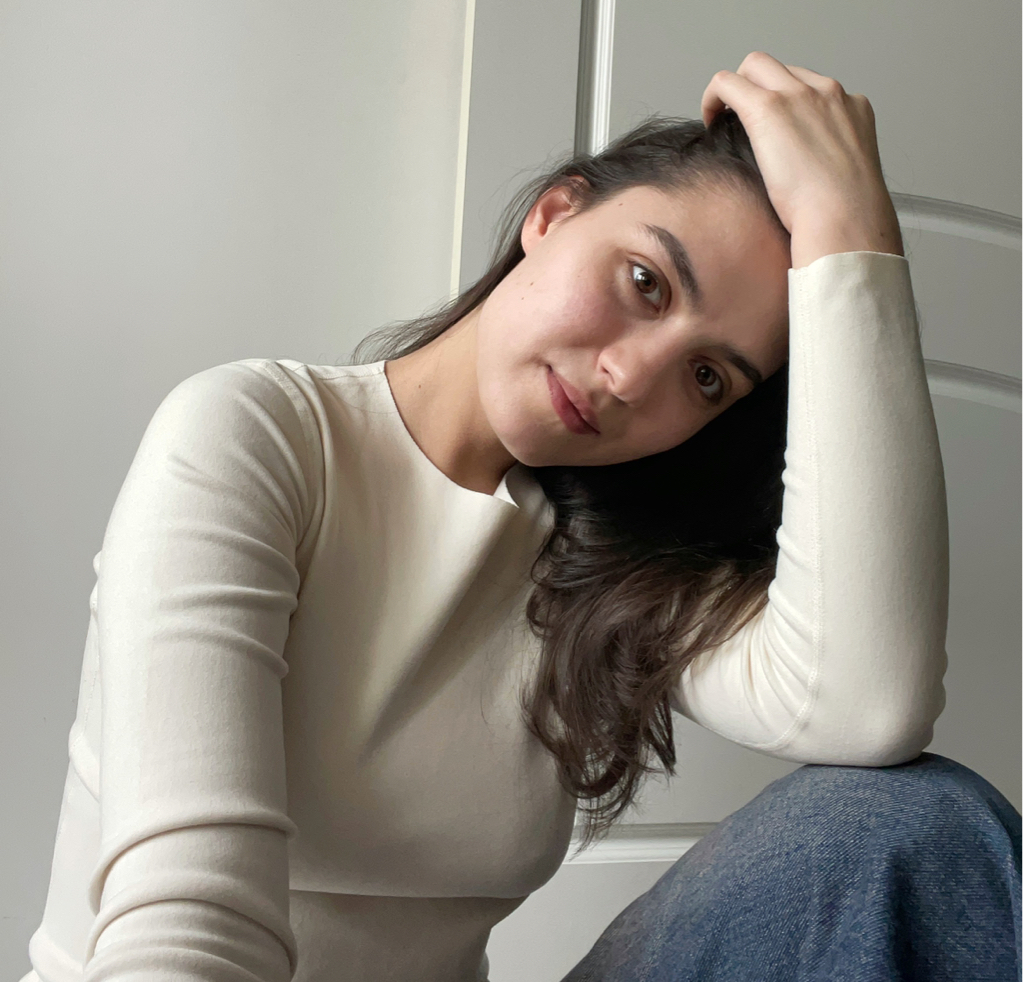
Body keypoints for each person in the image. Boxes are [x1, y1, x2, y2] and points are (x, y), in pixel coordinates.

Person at [21, 51, 1020, 982]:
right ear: (553, 214)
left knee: (915, 822)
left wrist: (853, 231)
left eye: (707, 377)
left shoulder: (612, 568)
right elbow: (183, 929)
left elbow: (869, 704)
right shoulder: (259, 437)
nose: (631, 376)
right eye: (645, 282)